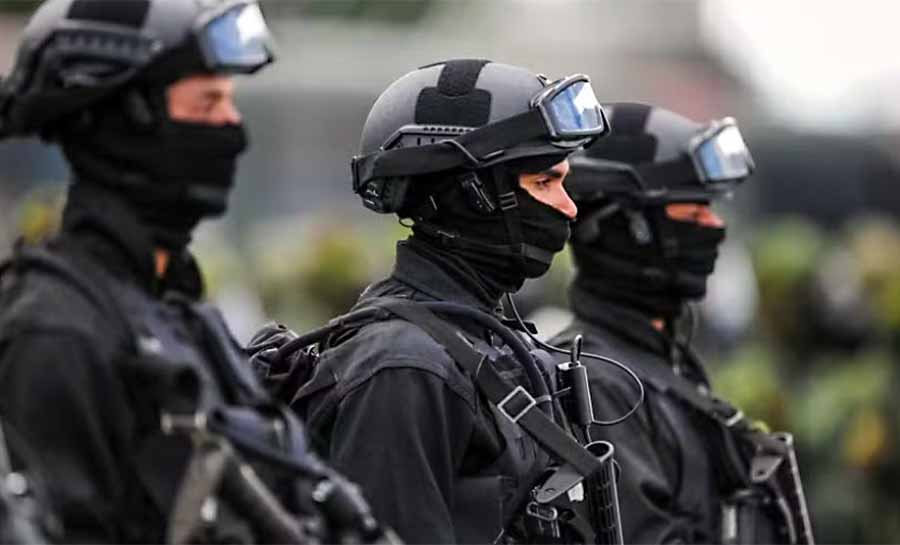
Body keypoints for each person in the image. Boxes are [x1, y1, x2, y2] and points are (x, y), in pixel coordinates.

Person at [0, 1, 387, 543]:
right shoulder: (59, 327)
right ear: (125, 123)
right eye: (207, 104)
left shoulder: (177, 311)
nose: (232, 128)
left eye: (229, 102)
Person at [248, 59, 618, 544]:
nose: (569, 207)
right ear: (472, 194)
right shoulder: (403, 366)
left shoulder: (492, 340)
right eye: (544, 182)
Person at [551, 102, 814, 544]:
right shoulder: (596, 383)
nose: (714, 227)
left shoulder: (666, 366)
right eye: (692, 215)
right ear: (629, 229)